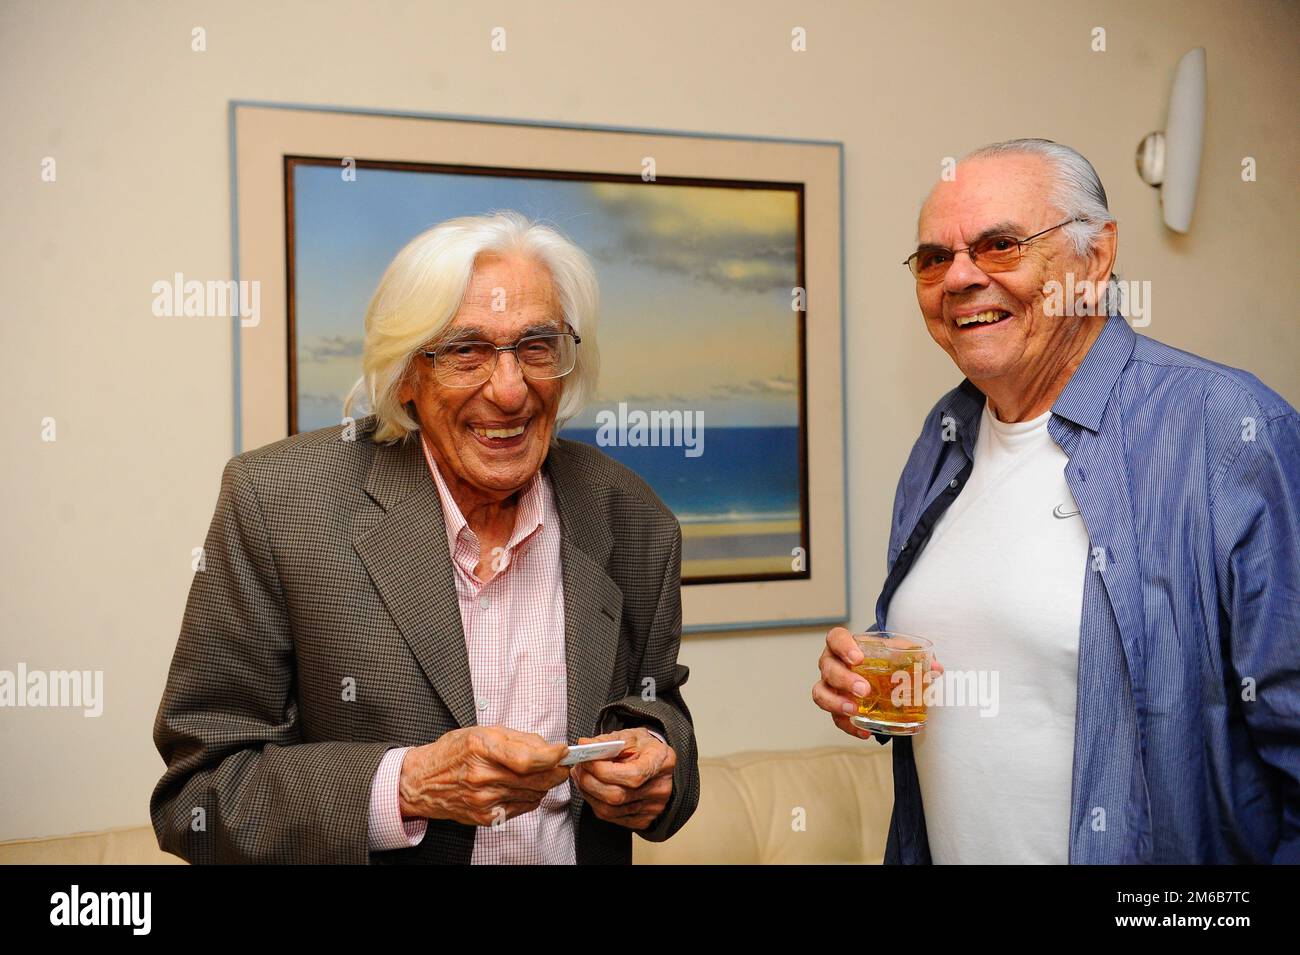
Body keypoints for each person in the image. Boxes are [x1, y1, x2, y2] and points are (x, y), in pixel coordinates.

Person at [152, 211, 699, 863]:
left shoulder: (633, 516)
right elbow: (199, 798)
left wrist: (656, 768)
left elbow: (656, 703)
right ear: (407, 372)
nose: (509, 389)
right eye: (467, 350)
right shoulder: (275, 503)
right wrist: (408, 785)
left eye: (536, 346)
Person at [812, 139, 1299, 863]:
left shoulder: (1225, 427)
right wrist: (864, 681)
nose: (961, 278)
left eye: (1000, 245)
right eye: (934, 258)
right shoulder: (943, 437)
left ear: (1096, 258)